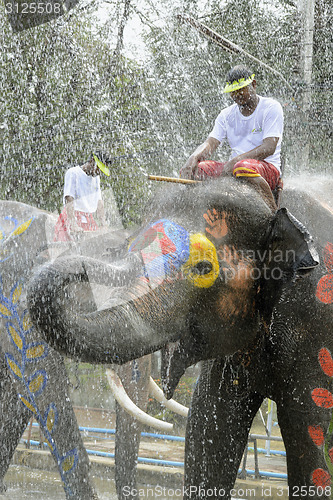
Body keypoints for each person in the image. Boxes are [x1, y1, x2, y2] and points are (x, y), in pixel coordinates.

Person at [180, 65, 284, 211]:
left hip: (264, 168)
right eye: (233, 91)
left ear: (253, 84)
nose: (237, 94)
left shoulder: (271, 107)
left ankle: (273, 212)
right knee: (196, 170)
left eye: (241, 89)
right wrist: (194, 158)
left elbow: (269, 147)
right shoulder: (226, 114)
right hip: (235, 168)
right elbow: (211, 143)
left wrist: (236, 161)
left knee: (241, 167)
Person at [54, 152, 110, 242]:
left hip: (88, 218)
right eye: (99, 169)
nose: (99, 173)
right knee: (64, 249)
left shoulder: (96, 178)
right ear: (92, 161)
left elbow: (99, 201)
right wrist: (73, 223)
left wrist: (103, 224)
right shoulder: (73, 173)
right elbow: (69, 198)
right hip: (71, 215)